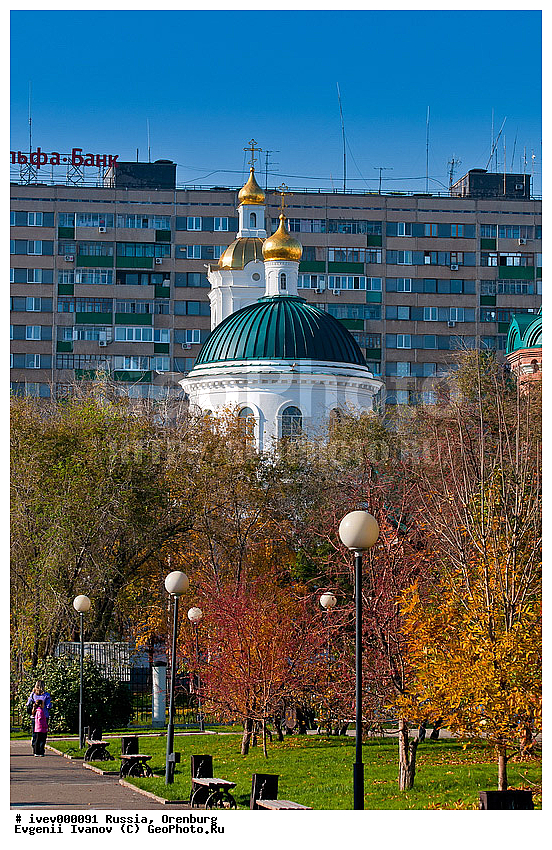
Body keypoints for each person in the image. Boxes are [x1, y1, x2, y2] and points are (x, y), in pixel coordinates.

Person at [26, 681, 52, 752]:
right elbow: (49, 706)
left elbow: (28, 704)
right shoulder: (46, 695)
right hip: (44, 716)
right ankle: (41, 748)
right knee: (43, 733)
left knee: (35, 732)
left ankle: (35, 746)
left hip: (35, 715)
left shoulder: (33, 695)